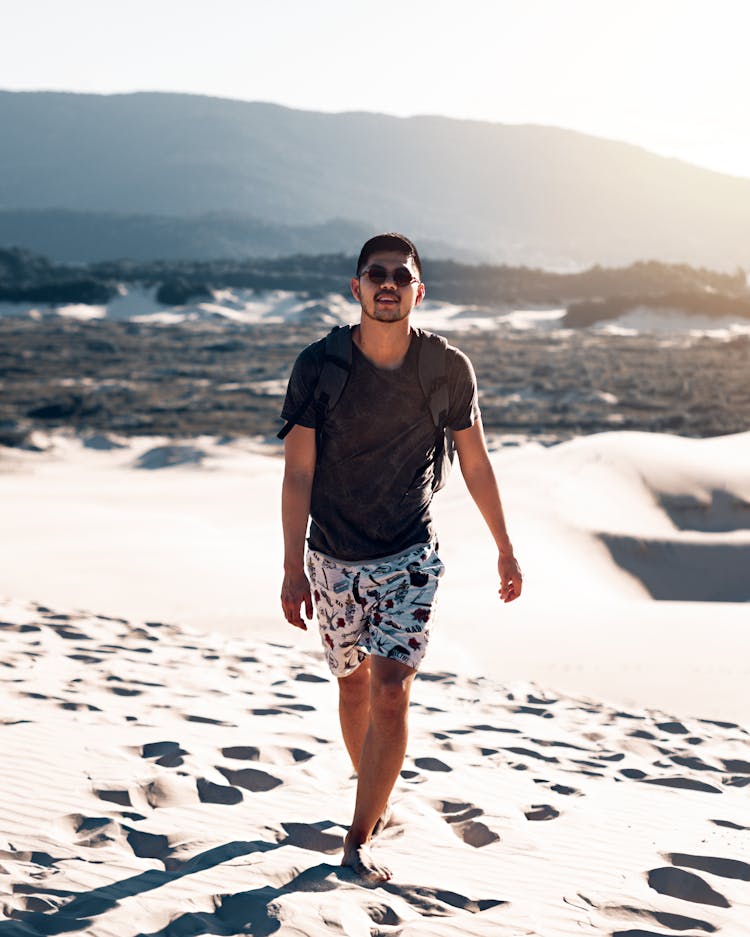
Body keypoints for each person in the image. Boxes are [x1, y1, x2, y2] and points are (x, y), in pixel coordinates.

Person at [280, 233, 522, 884]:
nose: (388, 284)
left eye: (401, 276)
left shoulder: (445, 368)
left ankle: (357, 839)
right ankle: (374, 789)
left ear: (420, 291)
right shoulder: (320, 365)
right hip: (331, 559)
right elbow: (299, 470)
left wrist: (504, 545)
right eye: (375, 274)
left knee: (390, 691)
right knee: (352, 683)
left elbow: (474, 459)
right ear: (355, 288)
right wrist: (290, 564)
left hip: (409, 556)